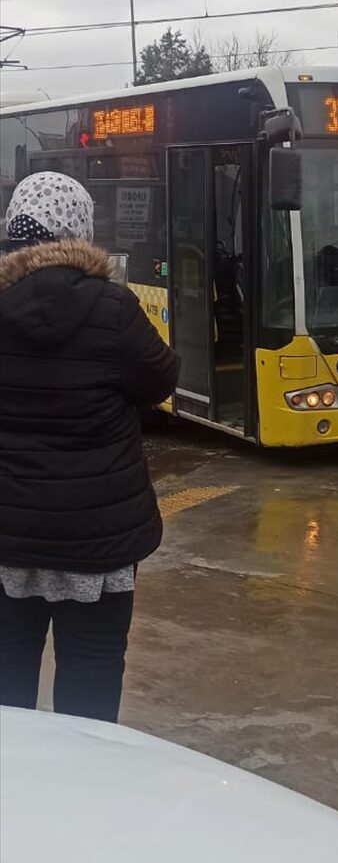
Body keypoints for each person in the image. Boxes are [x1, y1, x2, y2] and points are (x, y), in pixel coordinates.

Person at [0, 172, 178, 722]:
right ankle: (89, 794)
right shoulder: (114, 307)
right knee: (93, 678)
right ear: (80, 229)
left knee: (7, 683)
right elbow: (160, 381)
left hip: (7, 537)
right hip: (98, 540)